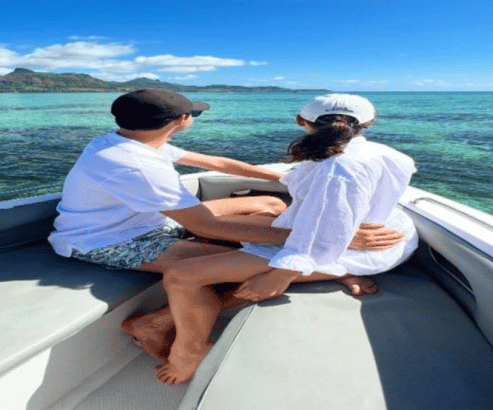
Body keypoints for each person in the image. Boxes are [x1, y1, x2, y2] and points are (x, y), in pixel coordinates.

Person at [48, 89, 404, 360]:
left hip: (149, 219)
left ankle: (323, 261)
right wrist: (337, 238)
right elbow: (209, 226)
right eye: (192, 114)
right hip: (110, 238)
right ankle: (157, 326)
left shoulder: (136, 140)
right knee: (240, 267)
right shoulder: (135, 165)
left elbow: (220, 162)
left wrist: (292, 180)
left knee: (268, 203)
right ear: (180, 121)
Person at [142, 93, 419, 385]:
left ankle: (184, 350)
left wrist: (282, 275)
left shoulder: (337, 168)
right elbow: (325, 214)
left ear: (301, 121)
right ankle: (330, 274)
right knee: (239, 244)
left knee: (181, 275)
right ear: (367, 124)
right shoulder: (372, 153)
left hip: (353, 246)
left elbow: (324, 233)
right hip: (369, 234)